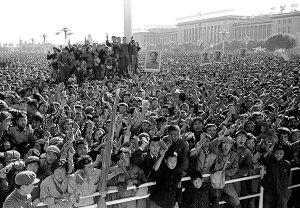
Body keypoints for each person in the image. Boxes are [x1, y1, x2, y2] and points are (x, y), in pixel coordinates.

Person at [259, 143, 291, 208]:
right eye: (276, 153)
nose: (278, 155)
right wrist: (268, 151)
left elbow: (288, 178)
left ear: (284, 154)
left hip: (281, 191)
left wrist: (286, 191)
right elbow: (262, 159)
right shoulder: (270, 161)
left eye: (281, 153)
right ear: (273, 153)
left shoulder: (287, 164)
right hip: (269, 190)